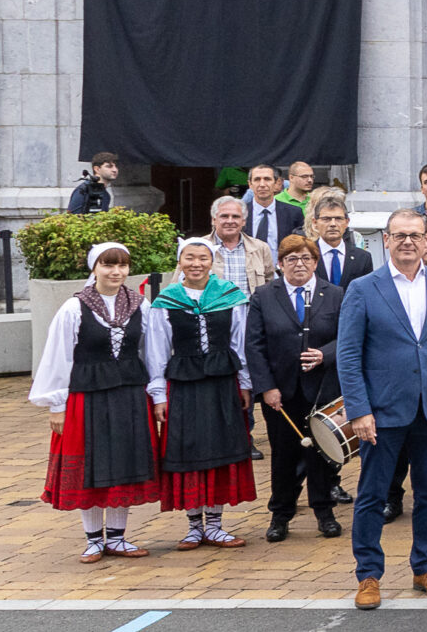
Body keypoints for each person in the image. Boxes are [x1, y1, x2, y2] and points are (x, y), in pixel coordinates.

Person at [337, 209, 427, 609]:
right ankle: (368, 574)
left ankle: (426, 567)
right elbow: (348, 355)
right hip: (381, 411)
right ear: (387, 240)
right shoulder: (363, 288)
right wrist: (358, 409)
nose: (409, 242)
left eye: (416, 235)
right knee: (372, 494)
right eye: (400, 235)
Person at [33, 243, 166, 561]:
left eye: (122, 266)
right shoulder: (75, 307)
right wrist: (57, 404)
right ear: (94, 268)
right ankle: (93, 539)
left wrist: (157, 394)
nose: (116, 272)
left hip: (129, 394)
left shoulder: (140, 305)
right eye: (108, 265)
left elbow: (152, 352)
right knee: (91, 466)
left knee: (123, 463)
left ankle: (117, 538)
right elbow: (59, 356)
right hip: (88, 397)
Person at [150, 237, 258, 550]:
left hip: (221, 382)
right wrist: (159, 395)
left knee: (219, 446)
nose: (196, 264)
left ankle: (215, 524)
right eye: (189, 258)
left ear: (212, 262)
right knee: (189, 448)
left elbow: (239, 342)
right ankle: (194, 525)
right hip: (184, 384)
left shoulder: (229, 295)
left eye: (202, 258)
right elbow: (157, 351)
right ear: (180, 261)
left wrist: (244, 382)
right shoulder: (166, 301)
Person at [246, 236, 346, 542]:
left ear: (315, 262)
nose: (299, 264)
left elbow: (348, 336)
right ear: (280, 264)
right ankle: (280, 515)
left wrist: (325, 354)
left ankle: (325, 513)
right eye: (291, 259)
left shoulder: (335, 294)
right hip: (281, 392)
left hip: (323, 391)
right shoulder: (264, 295)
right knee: (284, 456)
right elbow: (254, 345)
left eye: (306, 258)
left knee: (322, 454)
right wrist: (267, 387)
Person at [203, 195, 277, 292]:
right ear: (213, 220)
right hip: (211, 302)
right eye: (224, 216)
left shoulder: (260, 248)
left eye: (235, 216)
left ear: (243, 221)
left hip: (250, 302)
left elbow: (269, 283)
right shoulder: (199, 247)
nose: (230, 221)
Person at [240, 164, 305, 246]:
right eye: (257, 179)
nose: (262, 184)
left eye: (267, 179)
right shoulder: (239, 213)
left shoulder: (294, 213)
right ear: (250, 184)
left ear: (276, 183)